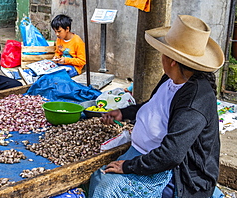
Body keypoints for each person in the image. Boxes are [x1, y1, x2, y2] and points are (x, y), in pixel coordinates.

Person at [88, 15, 225, 198]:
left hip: (175, 173)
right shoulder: (171, 78)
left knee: (105, 187)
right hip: (147, 155)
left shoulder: (195, 100)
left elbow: (172, 155)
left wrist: (129, 166)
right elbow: (154, 107)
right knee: (100, 176)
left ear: (172, 60)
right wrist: (124, 113)